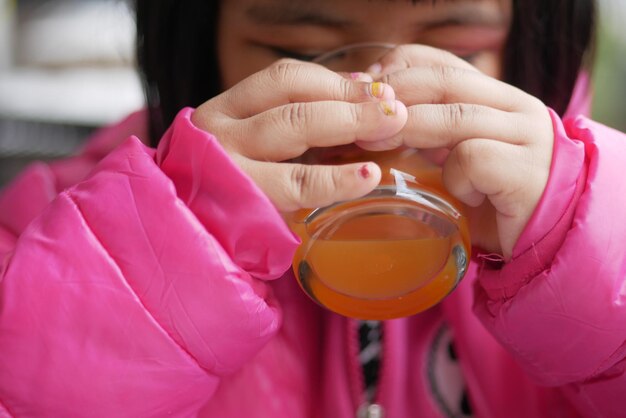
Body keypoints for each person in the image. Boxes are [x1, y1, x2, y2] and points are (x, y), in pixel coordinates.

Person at [0, 0, 624, 417]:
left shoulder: (586, 215)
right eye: (291, 51)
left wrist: (586, 246)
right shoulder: (48, 235)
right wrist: (152, 268)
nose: (382, 126)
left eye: (459, 57)